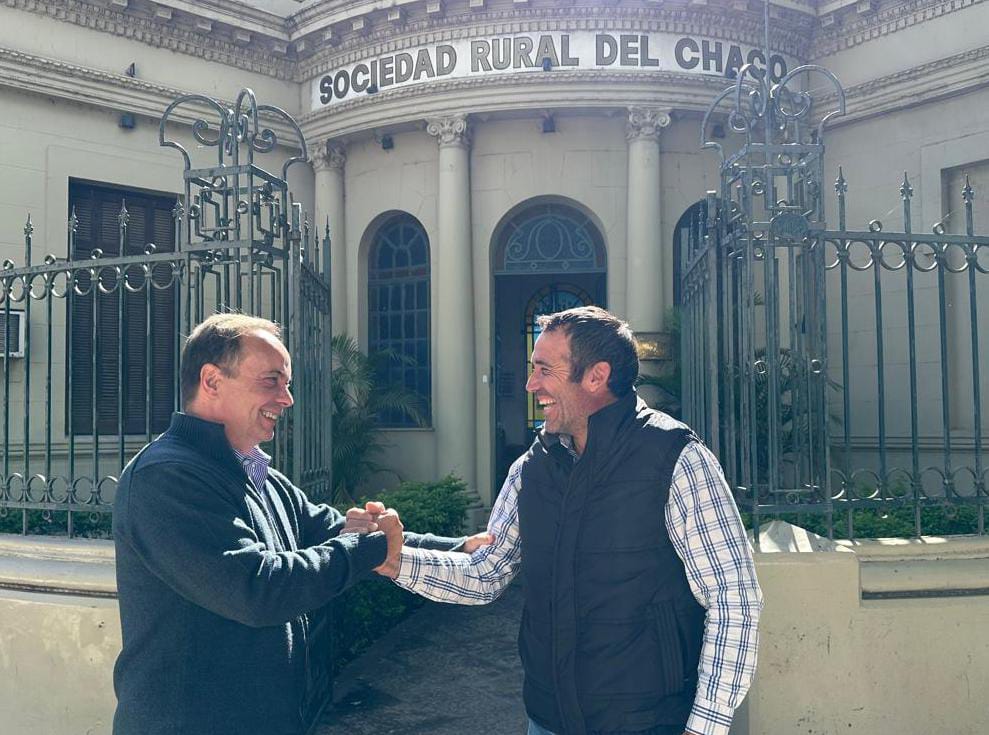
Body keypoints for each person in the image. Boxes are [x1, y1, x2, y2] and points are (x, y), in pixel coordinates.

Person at [369, 306, 763, 735]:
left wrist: (705, 727)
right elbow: (486, 573)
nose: (530, 384)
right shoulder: (531, 468)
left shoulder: (676, 458)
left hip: (647, 722)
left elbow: (734, 598)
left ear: (596, 376)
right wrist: (396, 561)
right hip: (548, 719)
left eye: (544, 369)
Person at [112, 313, 485, 735]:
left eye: (286, 384)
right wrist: (369, 548)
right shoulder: (165, 477)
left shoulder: (260, 476)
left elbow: (338, 530)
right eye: (271, 381)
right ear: (212, 381)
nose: (286, 399)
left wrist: (457, 547)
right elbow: (256, 590)